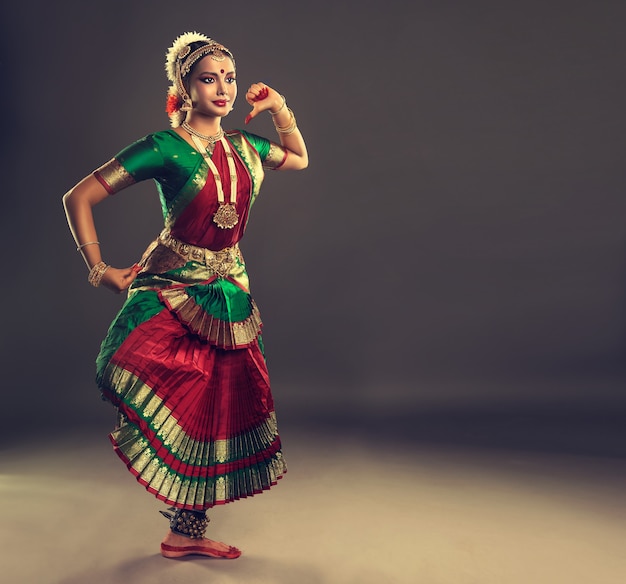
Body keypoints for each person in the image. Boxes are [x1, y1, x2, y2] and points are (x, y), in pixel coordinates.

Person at [62, 32, 308, 560]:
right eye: (208, 78)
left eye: (229, 78)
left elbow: (299, 158)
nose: (222, 88)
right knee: (177, 396)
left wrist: (279, 108)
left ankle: (185, 530)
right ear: (184, 87)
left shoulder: (246, 144)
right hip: (174, 286)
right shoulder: (163, 147)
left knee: (217, 407)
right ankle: (183, 524)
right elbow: (78, 196)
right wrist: (99, 268)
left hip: (230, 294)